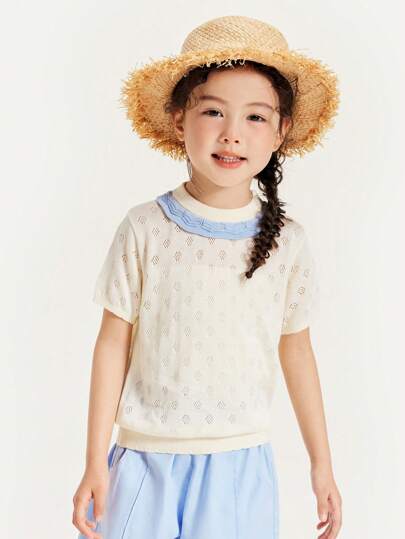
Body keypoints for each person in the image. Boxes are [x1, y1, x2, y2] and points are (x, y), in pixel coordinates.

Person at [72, 14, 342, 539]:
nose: (232, 134)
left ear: (281, 131)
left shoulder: (288, 243)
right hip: (144, 461)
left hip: (239, 468)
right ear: (179, 121)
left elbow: (297, 351)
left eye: (256, 117)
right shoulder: (145, 228)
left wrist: (322, 464)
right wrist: (93, 461)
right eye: (213, 111)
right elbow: (112, 343)